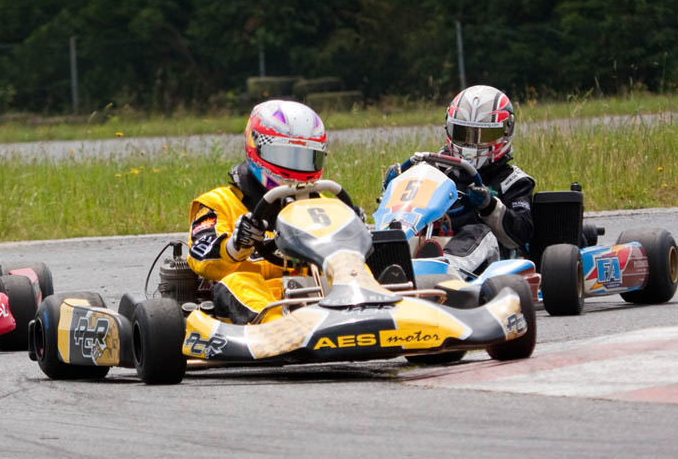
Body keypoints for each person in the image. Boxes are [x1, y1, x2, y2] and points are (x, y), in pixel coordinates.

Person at [187, 99, 363, 324]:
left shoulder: (325, 207)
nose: (297, 168)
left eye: (307, 158)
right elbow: (201, 258)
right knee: (239, 282)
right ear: (256, 146)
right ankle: (280, 327)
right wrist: (236, 245)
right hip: (255, 300)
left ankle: (371, 312)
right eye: (288, 157)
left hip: (316, 294)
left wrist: (354, 233)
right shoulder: (219, 202)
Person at [384, 85, 535, 276]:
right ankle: (387, 265)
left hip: (491, 260)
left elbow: (521, 235)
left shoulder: (513, 181)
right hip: (433, 240)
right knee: (398, 230)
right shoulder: (433, 170)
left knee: (478, 231)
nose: (471, 144)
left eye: (483, 135)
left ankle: (443, 270)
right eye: (463, 134)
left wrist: (490, 207)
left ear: (505, 132)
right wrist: (394, 187)